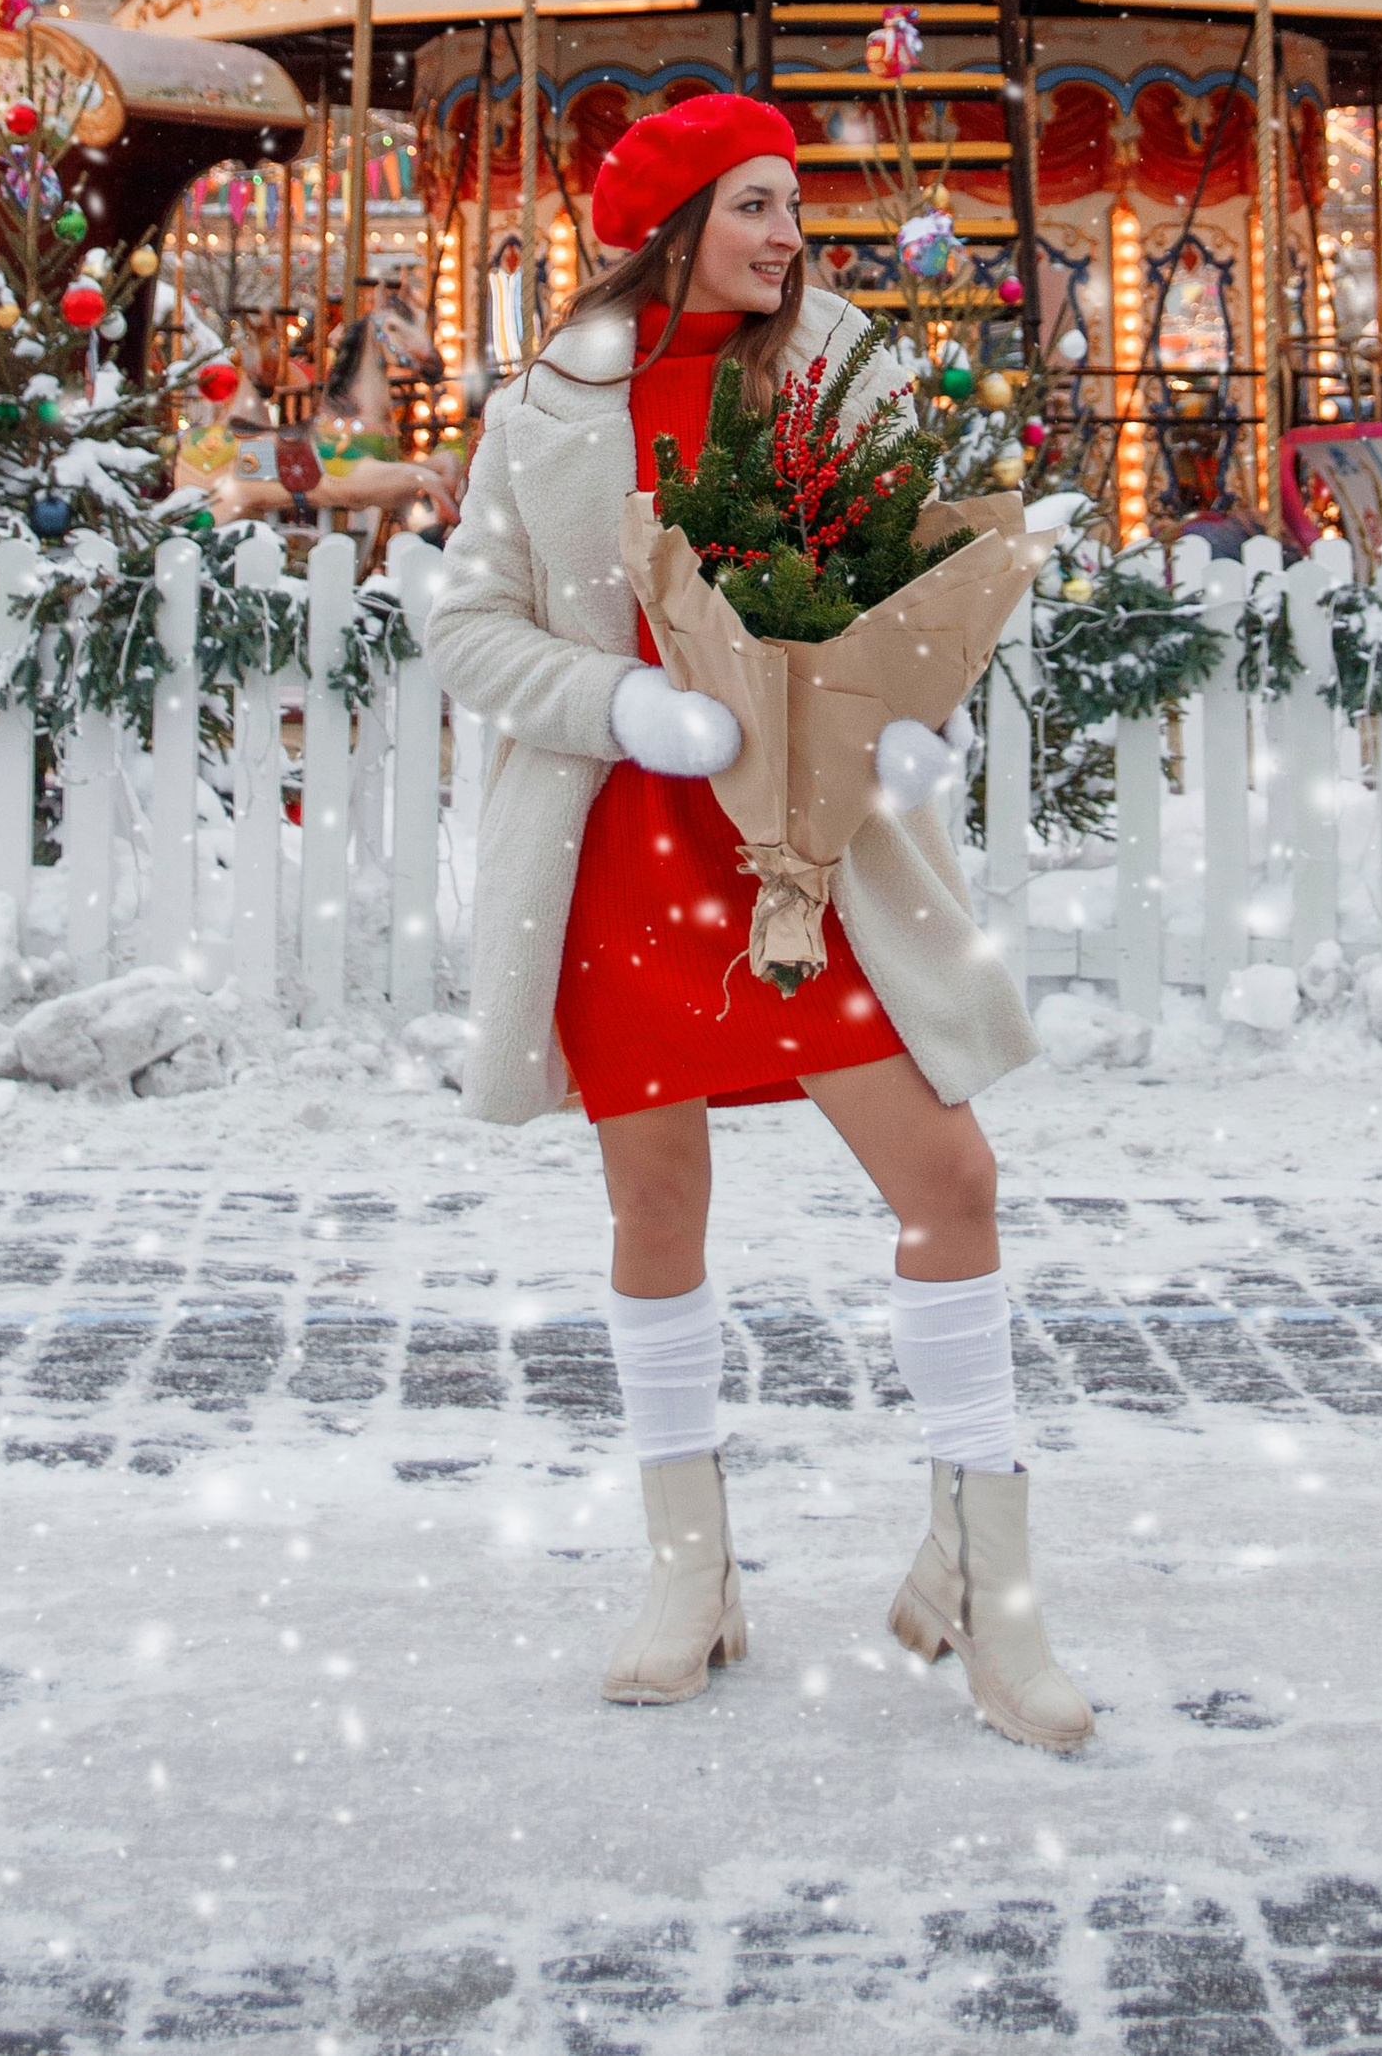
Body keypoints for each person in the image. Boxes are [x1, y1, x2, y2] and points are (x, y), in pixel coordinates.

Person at [424, 93, 1090, 1751]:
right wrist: (620, 702)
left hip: (811, 836)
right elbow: (469, 626)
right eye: (757, 207)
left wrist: (917, 707)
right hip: (636, 840)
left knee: (950, 1178)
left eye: (794, 205)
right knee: (657, 1202)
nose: (790, 235)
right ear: (673, 226)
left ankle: (987, 1580)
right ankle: (688, 1569)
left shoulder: (845, 367)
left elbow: (913, 577)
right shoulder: (552, 400)